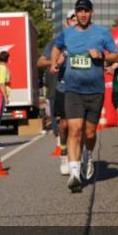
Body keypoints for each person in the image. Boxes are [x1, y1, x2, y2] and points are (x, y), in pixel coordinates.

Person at [50, 0, 118, 193]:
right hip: (73, 89)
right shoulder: (68, 33)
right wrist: (55, 62)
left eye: (86, 11)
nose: (82, 14)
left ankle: (88, 155)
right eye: (79, 11)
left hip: (95, 90)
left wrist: (102, 56)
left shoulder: (102, 33)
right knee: (75, 130)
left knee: (89, 133)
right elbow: (56, 47)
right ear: (76, 13)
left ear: (91, 13)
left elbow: (115, 55)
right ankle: (74, 174)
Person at [38, 12, 77, 174]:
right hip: (61, 89)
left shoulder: (88, 41)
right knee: (64, 125)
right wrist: (54, 61)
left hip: (81, 89)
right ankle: (63, 153)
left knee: (78, 127)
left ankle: (78, 161)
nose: (75, 22)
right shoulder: (57, 42)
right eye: (72, 19)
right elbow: (40, 62)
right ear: (67, 22)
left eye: (77, 19)